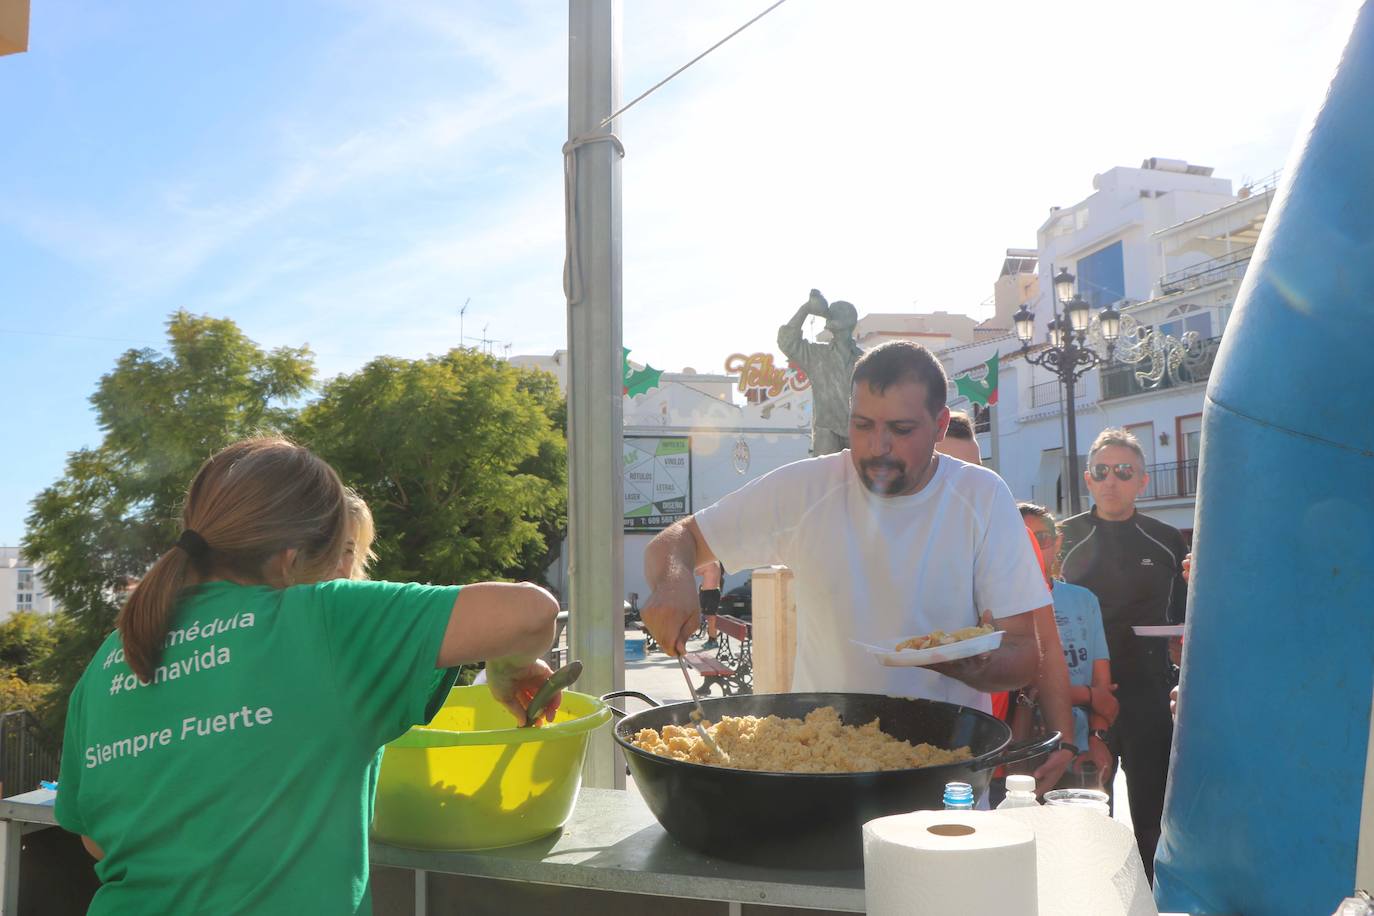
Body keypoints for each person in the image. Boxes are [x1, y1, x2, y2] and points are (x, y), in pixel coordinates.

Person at [55, 437, 562, 913]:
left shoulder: (114, 654)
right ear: (294, 557)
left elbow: (95, 839)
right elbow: (532, 613)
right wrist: (509, 666)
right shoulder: (321, 618)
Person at [642, 340, 1075, 788]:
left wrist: (971, 666)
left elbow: (1024, 653)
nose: (877, 446)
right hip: (820, 768)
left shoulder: (981, 496)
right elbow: (678, 540)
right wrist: (674, 582)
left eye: (901, 429)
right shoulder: (807, 489)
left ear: (940, 426)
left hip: (944, 771)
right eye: (862, 424)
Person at [1059, 427, 1187, 880]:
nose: (1111, 480)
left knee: (1152, 819)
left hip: (1148, 691)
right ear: (1088, 479)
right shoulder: (1063, 538)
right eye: (1101, 471)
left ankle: (1151, 901)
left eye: (1123, 471)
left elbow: (1185, 614)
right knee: (1087, 818)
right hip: (1080, 696)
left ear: (1142, 481)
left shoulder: (1166, 539)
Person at [1017, 503, 1117, 789]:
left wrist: (1098, 738)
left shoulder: (1084, 599)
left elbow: (1103, 685)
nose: (1033, 548)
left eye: (1041, 538)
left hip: (1082, 751)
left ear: (1057, 542)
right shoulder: (996, 602)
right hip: (1024, 748)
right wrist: (1086, 695)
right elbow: (1021, 687)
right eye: (1022, 538)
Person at [778, 288, 863, 456]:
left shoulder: (864, 359)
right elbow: (787, 342)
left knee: (860, 473)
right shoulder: (817, 355)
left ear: (848, 321)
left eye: (836, 313)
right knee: (825, 474)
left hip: (858, 432)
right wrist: (805, 309)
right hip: (826, 435)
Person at [698, 561, 724, 650]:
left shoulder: (713, 562)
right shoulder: (710, 562)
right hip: (706, 592)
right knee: (709, 618)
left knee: (711, 618)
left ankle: (713, 640)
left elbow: (697, 571)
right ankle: (711, 639)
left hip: (712, 592)